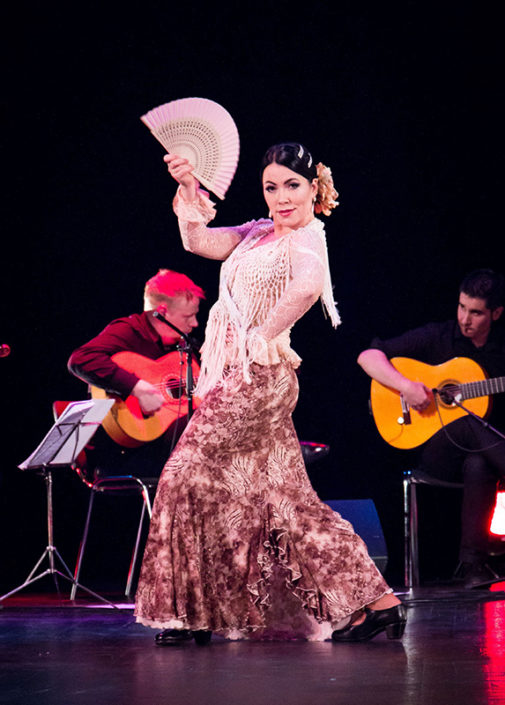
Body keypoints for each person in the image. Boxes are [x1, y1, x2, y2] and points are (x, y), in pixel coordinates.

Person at [134, 142, 406, 646]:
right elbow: (198, 242)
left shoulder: (307, 236)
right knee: (291, 502)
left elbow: (307, 287)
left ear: (314, 189)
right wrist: (188, 187)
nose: (281, 197)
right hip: (247, 376)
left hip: (256, 379)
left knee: (181, 477)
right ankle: (379, 603)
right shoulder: (257, 233)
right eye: (271, 187)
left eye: (292, 186)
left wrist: (263, 336)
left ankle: (189, 613)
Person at [358, 269, 505, 588]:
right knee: (467, 419)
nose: (465, 318)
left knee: (479, 460)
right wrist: (406, 387)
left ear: (496, 313)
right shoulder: (438, 336)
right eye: (462, 307)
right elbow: (368, 356)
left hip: (476, 459)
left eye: (476, 312)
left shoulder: (501, 351)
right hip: (429, 453)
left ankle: (472, 566)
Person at [67, 269, 205, 479]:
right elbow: (80, 359)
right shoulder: (128, 331)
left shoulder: (185, 346)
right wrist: (136, 387)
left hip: (170, 450)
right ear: (162, 311)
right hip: (124, 454)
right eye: (188, 316)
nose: (195, 323)